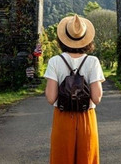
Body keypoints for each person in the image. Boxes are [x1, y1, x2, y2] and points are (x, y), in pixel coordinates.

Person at [44, 14, 105, 164]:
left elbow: (51, 98)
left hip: (63, 116)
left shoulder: (55, 61)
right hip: (86, 117)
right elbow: (97, 98)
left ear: (63, 38)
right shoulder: (93, 61)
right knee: (87, 158)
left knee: (61, 159)